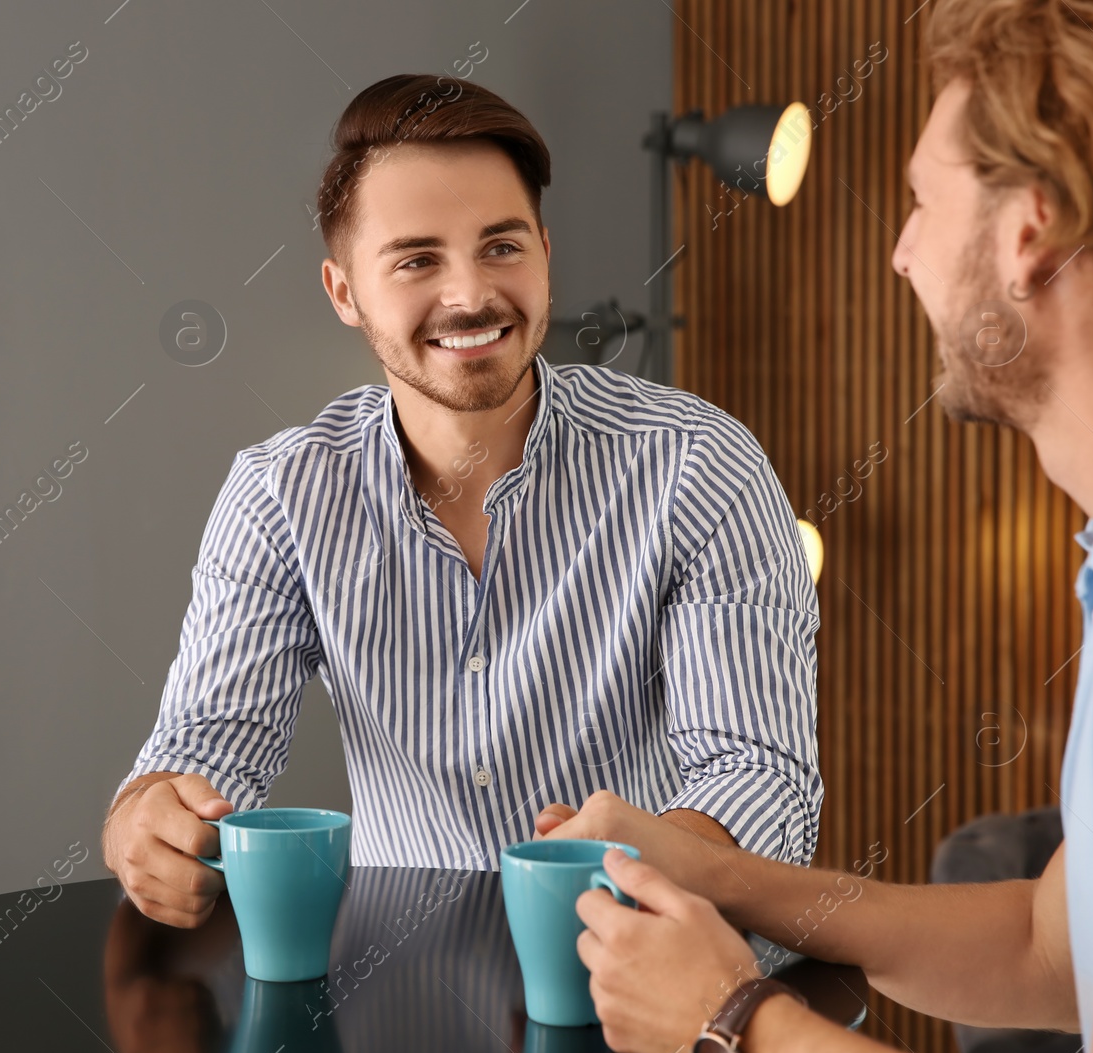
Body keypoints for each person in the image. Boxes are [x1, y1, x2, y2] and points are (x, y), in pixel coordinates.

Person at [542, 0, 1093, 1053]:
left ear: (1028, 235)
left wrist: (732, 1024)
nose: (899, 254)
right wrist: (723, 875)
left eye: (920, 204)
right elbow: (1048, 948)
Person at [102, 73, 825, 929]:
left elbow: (763, 777)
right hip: (397, 1001)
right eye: (417, 259)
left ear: (547, 253)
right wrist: (146, 823)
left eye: (502, 246)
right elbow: (199, 752)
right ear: (344, 292)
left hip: (658, 981)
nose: (471, 294)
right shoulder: (281, 495)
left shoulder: (698, 463)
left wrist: (637, 871)